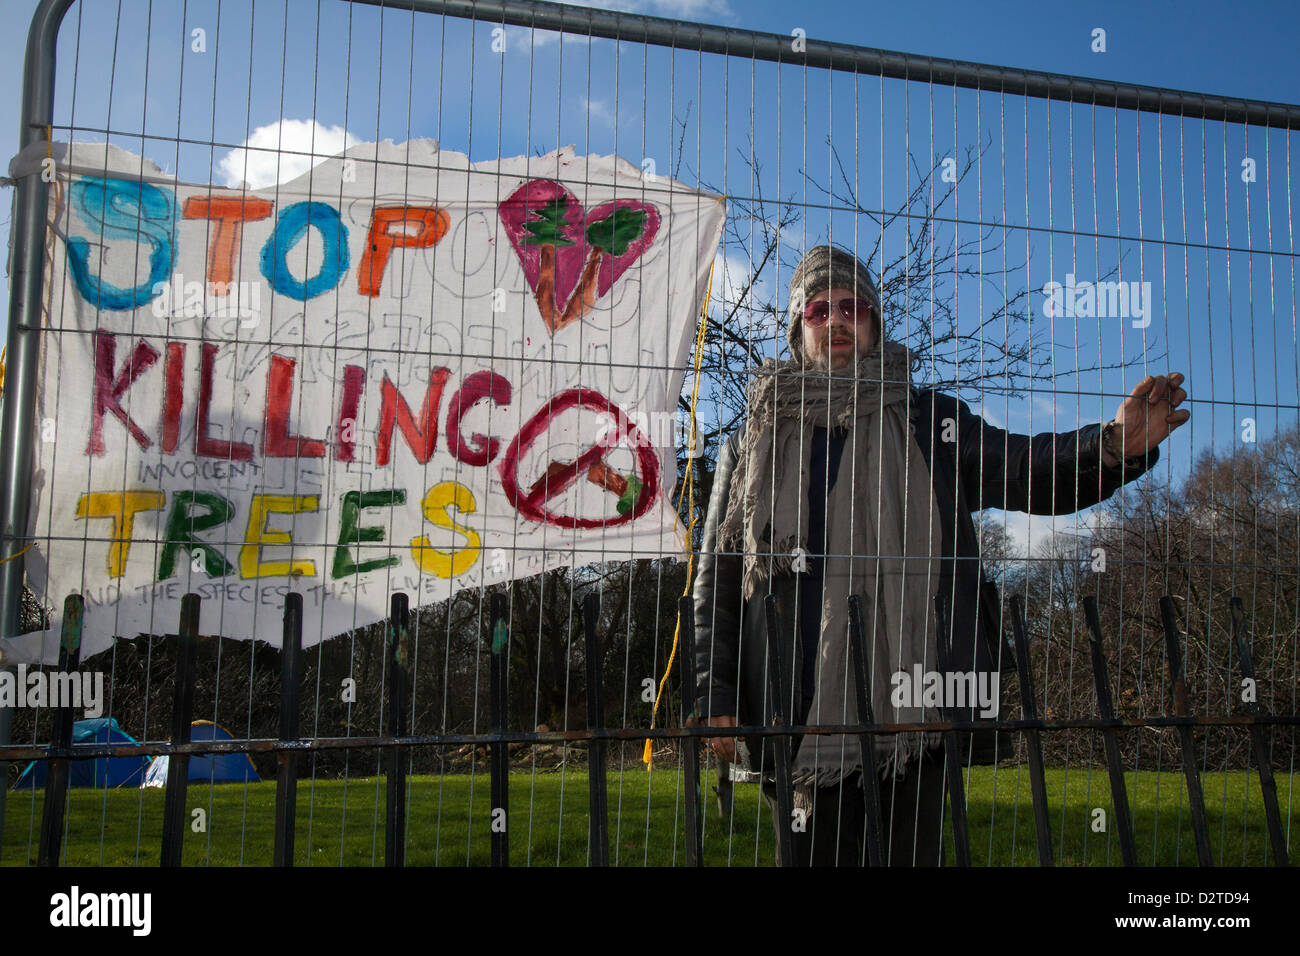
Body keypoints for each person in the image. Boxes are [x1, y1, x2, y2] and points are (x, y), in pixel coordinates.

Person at [692, 245, 1189, 866]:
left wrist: (1113, 446)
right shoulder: (754, 439)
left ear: (873, 322)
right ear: (799, 327)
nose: (836, 320)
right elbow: (718, 577)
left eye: (852, 307)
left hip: (917, 714)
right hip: (793, 712)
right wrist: (716, 696)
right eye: (820, 309)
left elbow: (1025, 468)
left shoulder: (931, 422)